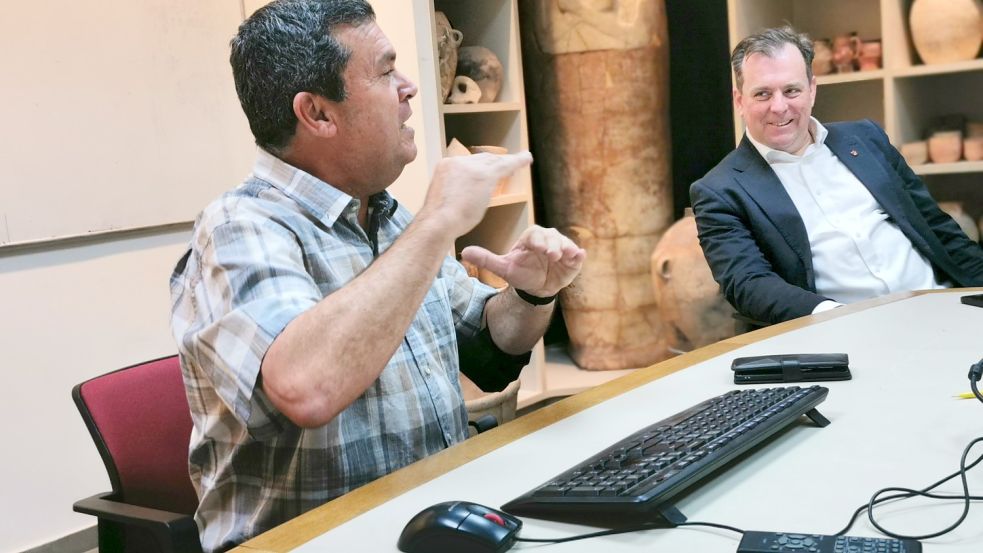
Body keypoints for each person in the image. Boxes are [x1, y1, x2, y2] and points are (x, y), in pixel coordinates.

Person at [168, 1, 586, 551]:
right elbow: (307, 388)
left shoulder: (387, 218)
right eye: (387, 71)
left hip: (430, 519)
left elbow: (489, 345)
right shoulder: (239, 228)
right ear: (317, 114)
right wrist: (438, 223)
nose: (409, 86)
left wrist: (533, 291)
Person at [690, 26, 983, 325]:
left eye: (791, 90)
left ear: (812, 89)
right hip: (849, 333)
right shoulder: (720, 191)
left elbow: (936, 227)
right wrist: (836, 317)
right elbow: (748, 283)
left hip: (942, 306)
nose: (779, 107)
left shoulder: (866, 139)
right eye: (763, 94)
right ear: (740, 100)